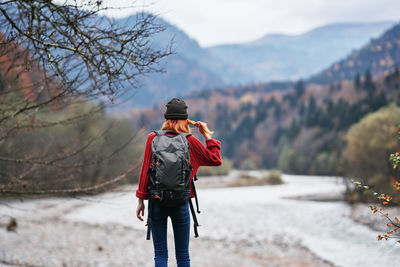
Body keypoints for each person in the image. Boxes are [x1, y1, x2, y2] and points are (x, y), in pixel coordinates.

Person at [135, 97, 222, 267]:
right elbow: (215, 159)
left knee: (160, 254)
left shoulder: (152, 138)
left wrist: (141, 200)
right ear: (185, 120)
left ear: (166, 118)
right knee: (182, 255)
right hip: (181, 201)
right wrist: (206, 136)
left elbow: (145, 171)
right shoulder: (190, 141)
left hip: (157, 201)